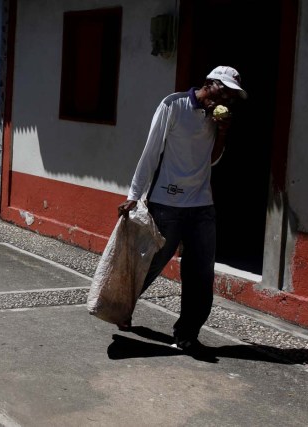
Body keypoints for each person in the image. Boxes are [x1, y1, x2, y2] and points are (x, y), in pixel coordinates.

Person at [117, 65, 248, 353]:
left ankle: (187, 333)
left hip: (202, 206)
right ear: (208, 83)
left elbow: (211, 161)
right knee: (151, 263)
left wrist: (223, 133)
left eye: (231, 96)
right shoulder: (173, 105)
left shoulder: (214, 118)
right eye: (223, 90)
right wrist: (134, 195)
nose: (225, 99)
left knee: (201, 274)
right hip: (167, 204)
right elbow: (151, 151)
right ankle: (122, 307)